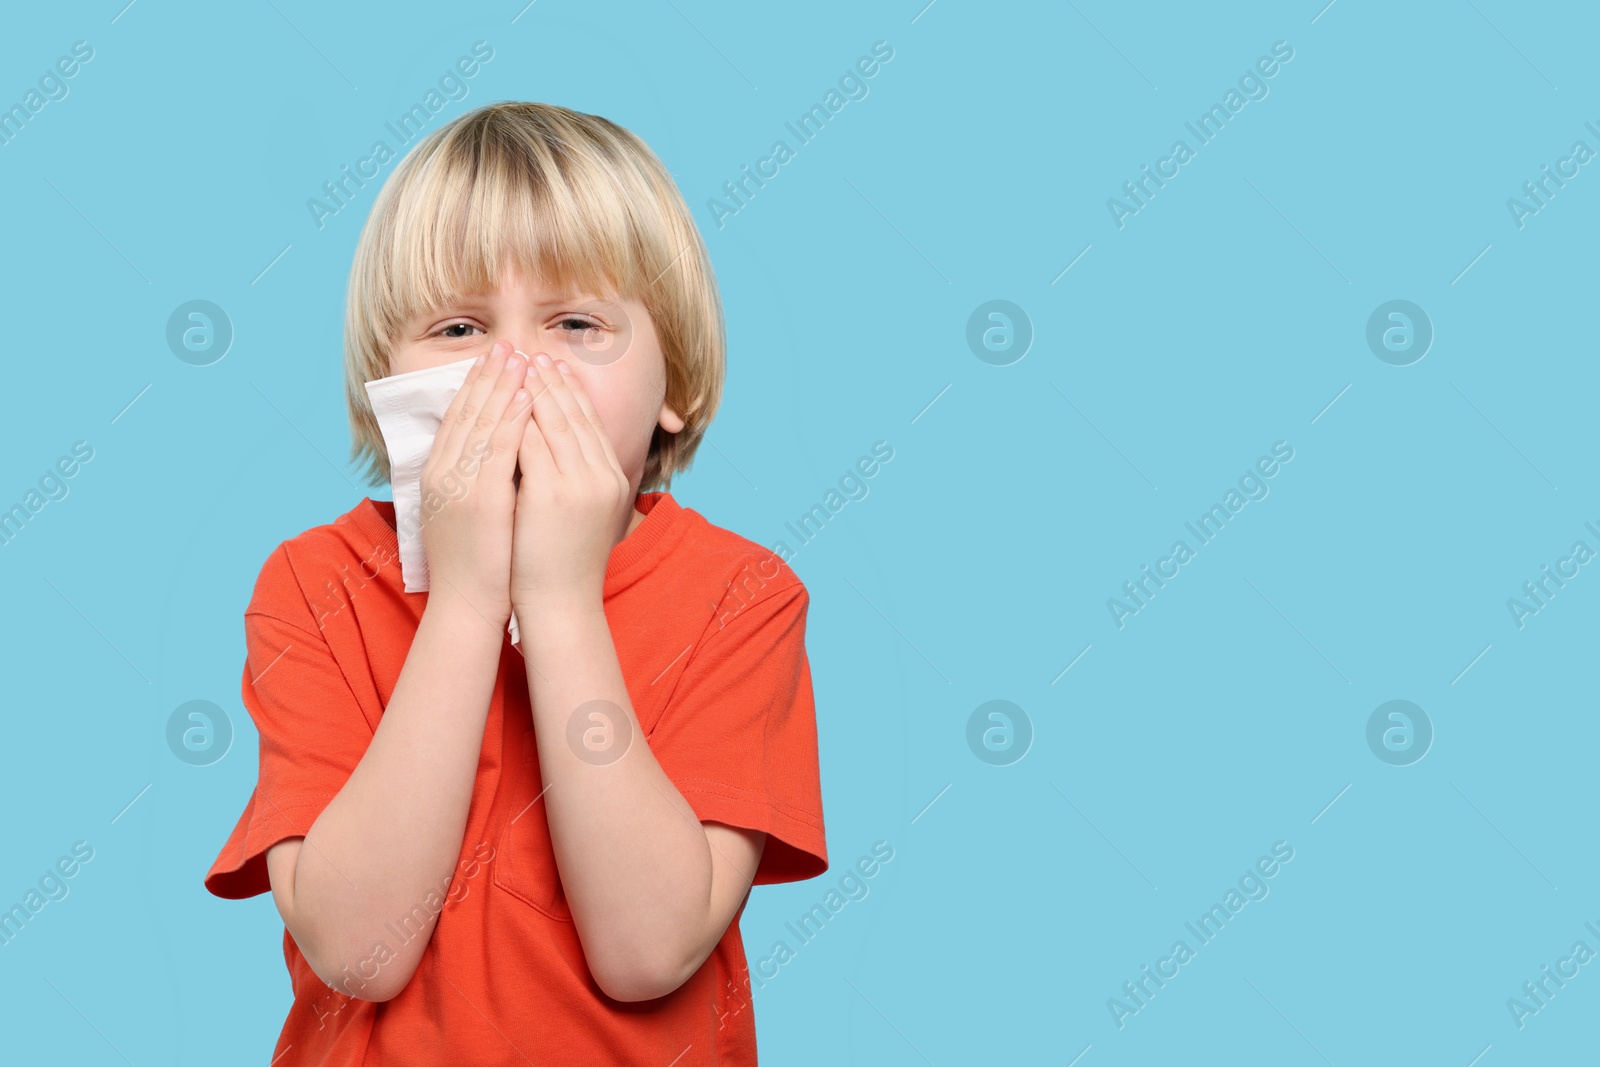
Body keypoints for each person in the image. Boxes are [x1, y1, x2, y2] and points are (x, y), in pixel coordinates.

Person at [203, 100, 828, 1065]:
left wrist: (561, 599)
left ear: (676, 389)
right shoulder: (313, 585)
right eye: (457, 327)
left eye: (577, 322)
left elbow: (647, 949)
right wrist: (463, 600)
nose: (516, 369)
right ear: (384, 384)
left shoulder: (740, 595)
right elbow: (360, 952)